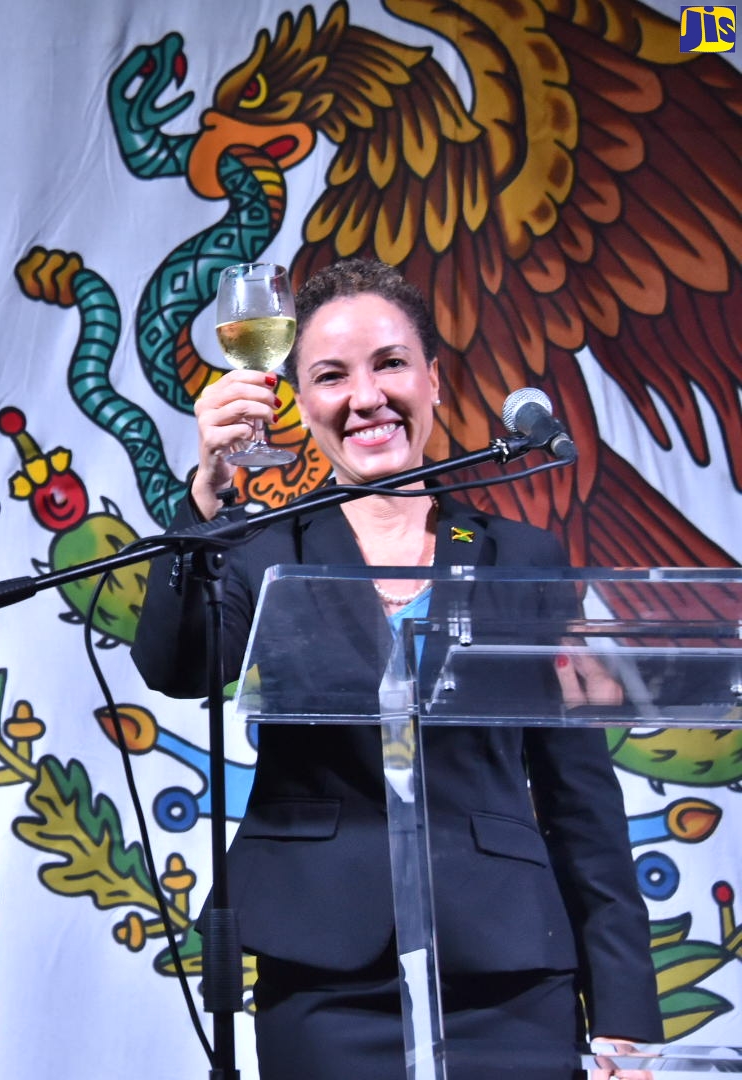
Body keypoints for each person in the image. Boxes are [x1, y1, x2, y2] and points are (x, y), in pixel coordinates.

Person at [131, 258, 662, 1079]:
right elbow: (174, 666)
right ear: (300, 404)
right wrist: (206, 496)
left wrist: (625, 1008)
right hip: (325, 981)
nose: (366, 397)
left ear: (435, 382)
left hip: (509, 975)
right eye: (331, 376)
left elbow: (580, 797)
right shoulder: (260, 550)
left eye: (390, 364)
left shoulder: (521, 558)